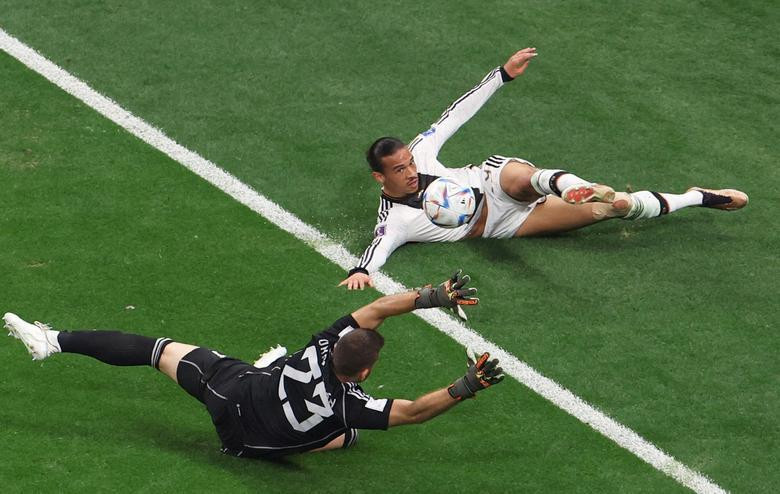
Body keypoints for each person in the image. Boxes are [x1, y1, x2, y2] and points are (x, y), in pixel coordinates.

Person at [340, 47, 748, 290]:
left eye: (409, 162)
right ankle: (695, 197)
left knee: (522, 179)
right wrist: (361, 271)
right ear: (380, 177)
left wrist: (501, 75)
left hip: (494, 182)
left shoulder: (421, 152)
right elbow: (379, 247)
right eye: (399, 169)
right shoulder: (395, 220)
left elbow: (454, 115)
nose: (410, 170)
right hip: (502, 225)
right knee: (616, 207)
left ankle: (565, 183)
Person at [4, 271, 502, 458]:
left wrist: (431, 294)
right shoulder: (350, 405)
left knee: (155, 349)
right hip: (245, 441)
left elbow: (374, 309)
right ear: (365, 374)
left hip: (232, 391)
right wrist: (467, 384)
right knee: (344, 437)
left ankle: (53, 340)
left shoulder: (323, 344)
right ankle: (283, 385)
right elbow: (413, 411)